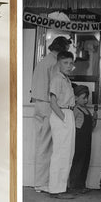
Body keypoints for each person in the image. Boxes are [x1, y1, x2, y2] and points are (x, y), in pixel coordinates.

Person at [30, 36, 71, 193]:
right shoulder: (54, 64)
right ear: (61, 49)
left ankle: (38, 182)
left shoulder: (42, 61)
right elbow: (54, 87)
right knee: (48, 146)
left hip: (37, 104)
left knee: (41, 144)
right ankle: (42, 183)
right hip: (48, 104)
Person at [48, 51, 76, 199]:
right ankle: (55, 189)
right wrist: (64, 118)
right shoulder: (57, 79)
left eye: (71, 63)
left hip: (67, 114)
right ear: (58, 63)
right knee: (60, 153)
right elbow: (53, 103)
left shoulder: (66, 80)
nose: (69, 66)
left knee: (68, 153)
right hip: (62, 114)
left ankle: (61, 187)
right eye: (65, 63)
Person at [68, 85, 98, 194]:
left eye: (87, 98)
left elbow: (92, 127)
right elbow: (71, 127)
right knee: (77, 162)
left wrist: (94, 118)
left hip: (87, 140)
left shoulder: (87, 110)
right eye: (83, 98)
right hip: (78, 140)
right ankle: (74, 185)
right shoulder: (75, 109)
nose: (86, 100)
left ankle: (81, 185)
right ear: (75, 98)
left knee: (85, 162)